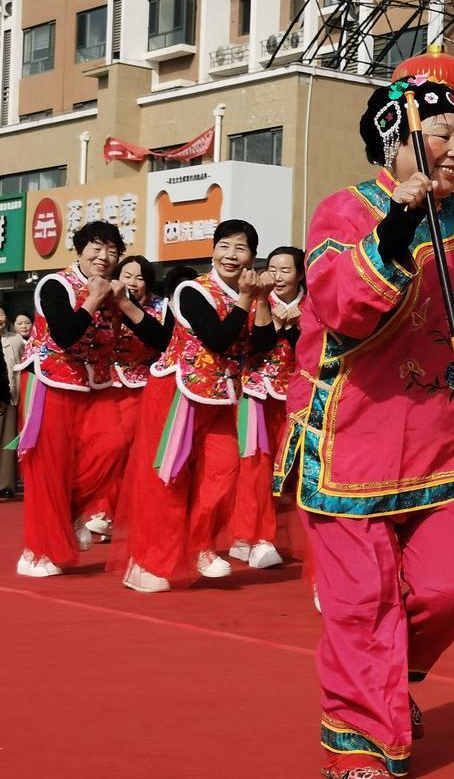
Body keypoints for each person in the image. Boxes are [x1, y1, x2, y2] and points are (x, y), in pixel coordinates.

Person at [270, 77, 454, 779]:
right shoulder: (343, 210)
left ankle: (390, 678)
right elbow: (342, 308)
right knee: (362, 604)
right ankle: (361, 746)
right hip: (350, 437)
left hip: (438, 441)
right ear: (396, 140)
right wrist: (397, 225)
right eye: (442, 136)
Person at [111, 221, 276, 594]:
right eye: (225, 246)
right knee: (169, 478)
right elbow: (218, 340)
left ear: (252, 255)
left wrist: (262, 299)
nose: (232, 255)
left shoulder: (247, 293)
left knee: (225, 471)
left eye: (241, 248)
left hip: (219, 396)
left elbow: (263, 344)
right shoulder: (192, 290)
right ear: (213, 250)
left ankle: (200, 545)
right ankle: (148, 563)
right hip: (178, 395)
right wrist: (247, 300)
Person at [13, 222, 127, 577]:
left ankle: (71, 511)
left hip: (94, 385)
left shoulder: (116, 292)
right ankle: (36, 552)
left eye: (111, 251)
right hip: (51, 382)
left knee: (114, 443)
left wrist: (120, 300)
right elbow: (63, 335)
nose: (103, 257)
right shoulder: (55, 284)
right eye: (96, 247)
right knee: (50, 467)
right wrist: (93, 297)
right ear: (80, 250)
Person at [82, 256, 170, 540]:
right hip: (106, 384)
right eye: (127, 275)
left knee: (130, 453)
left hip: (141, 387)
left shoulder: (161, 306)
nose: (132, 282)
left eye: (139, 277)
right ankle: (102, 511)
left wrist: (128, 307)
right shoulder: (102, 302)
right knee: (107, 449)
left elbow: (163, 341)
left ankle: (114, 514)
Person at [229, 246, 305, 570]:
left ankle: (290, 539)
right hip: (256, 395)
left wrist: (299, 328)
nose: (277, 276)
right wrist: (276, 326)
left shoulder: (313, 306)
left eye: (285, 270)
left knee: (290, 471)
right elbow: (245, 346)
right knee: (255, 468)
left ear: (301, 274)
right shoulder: (255, 301)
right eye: (272, 269)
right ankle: (256, 536)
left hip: (297, 400)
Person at [0, 306, 23, 500]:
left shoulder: (16, 340)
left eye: (0, 313)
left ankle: (6, 485)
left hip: (11, 395)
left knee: (8, 441)